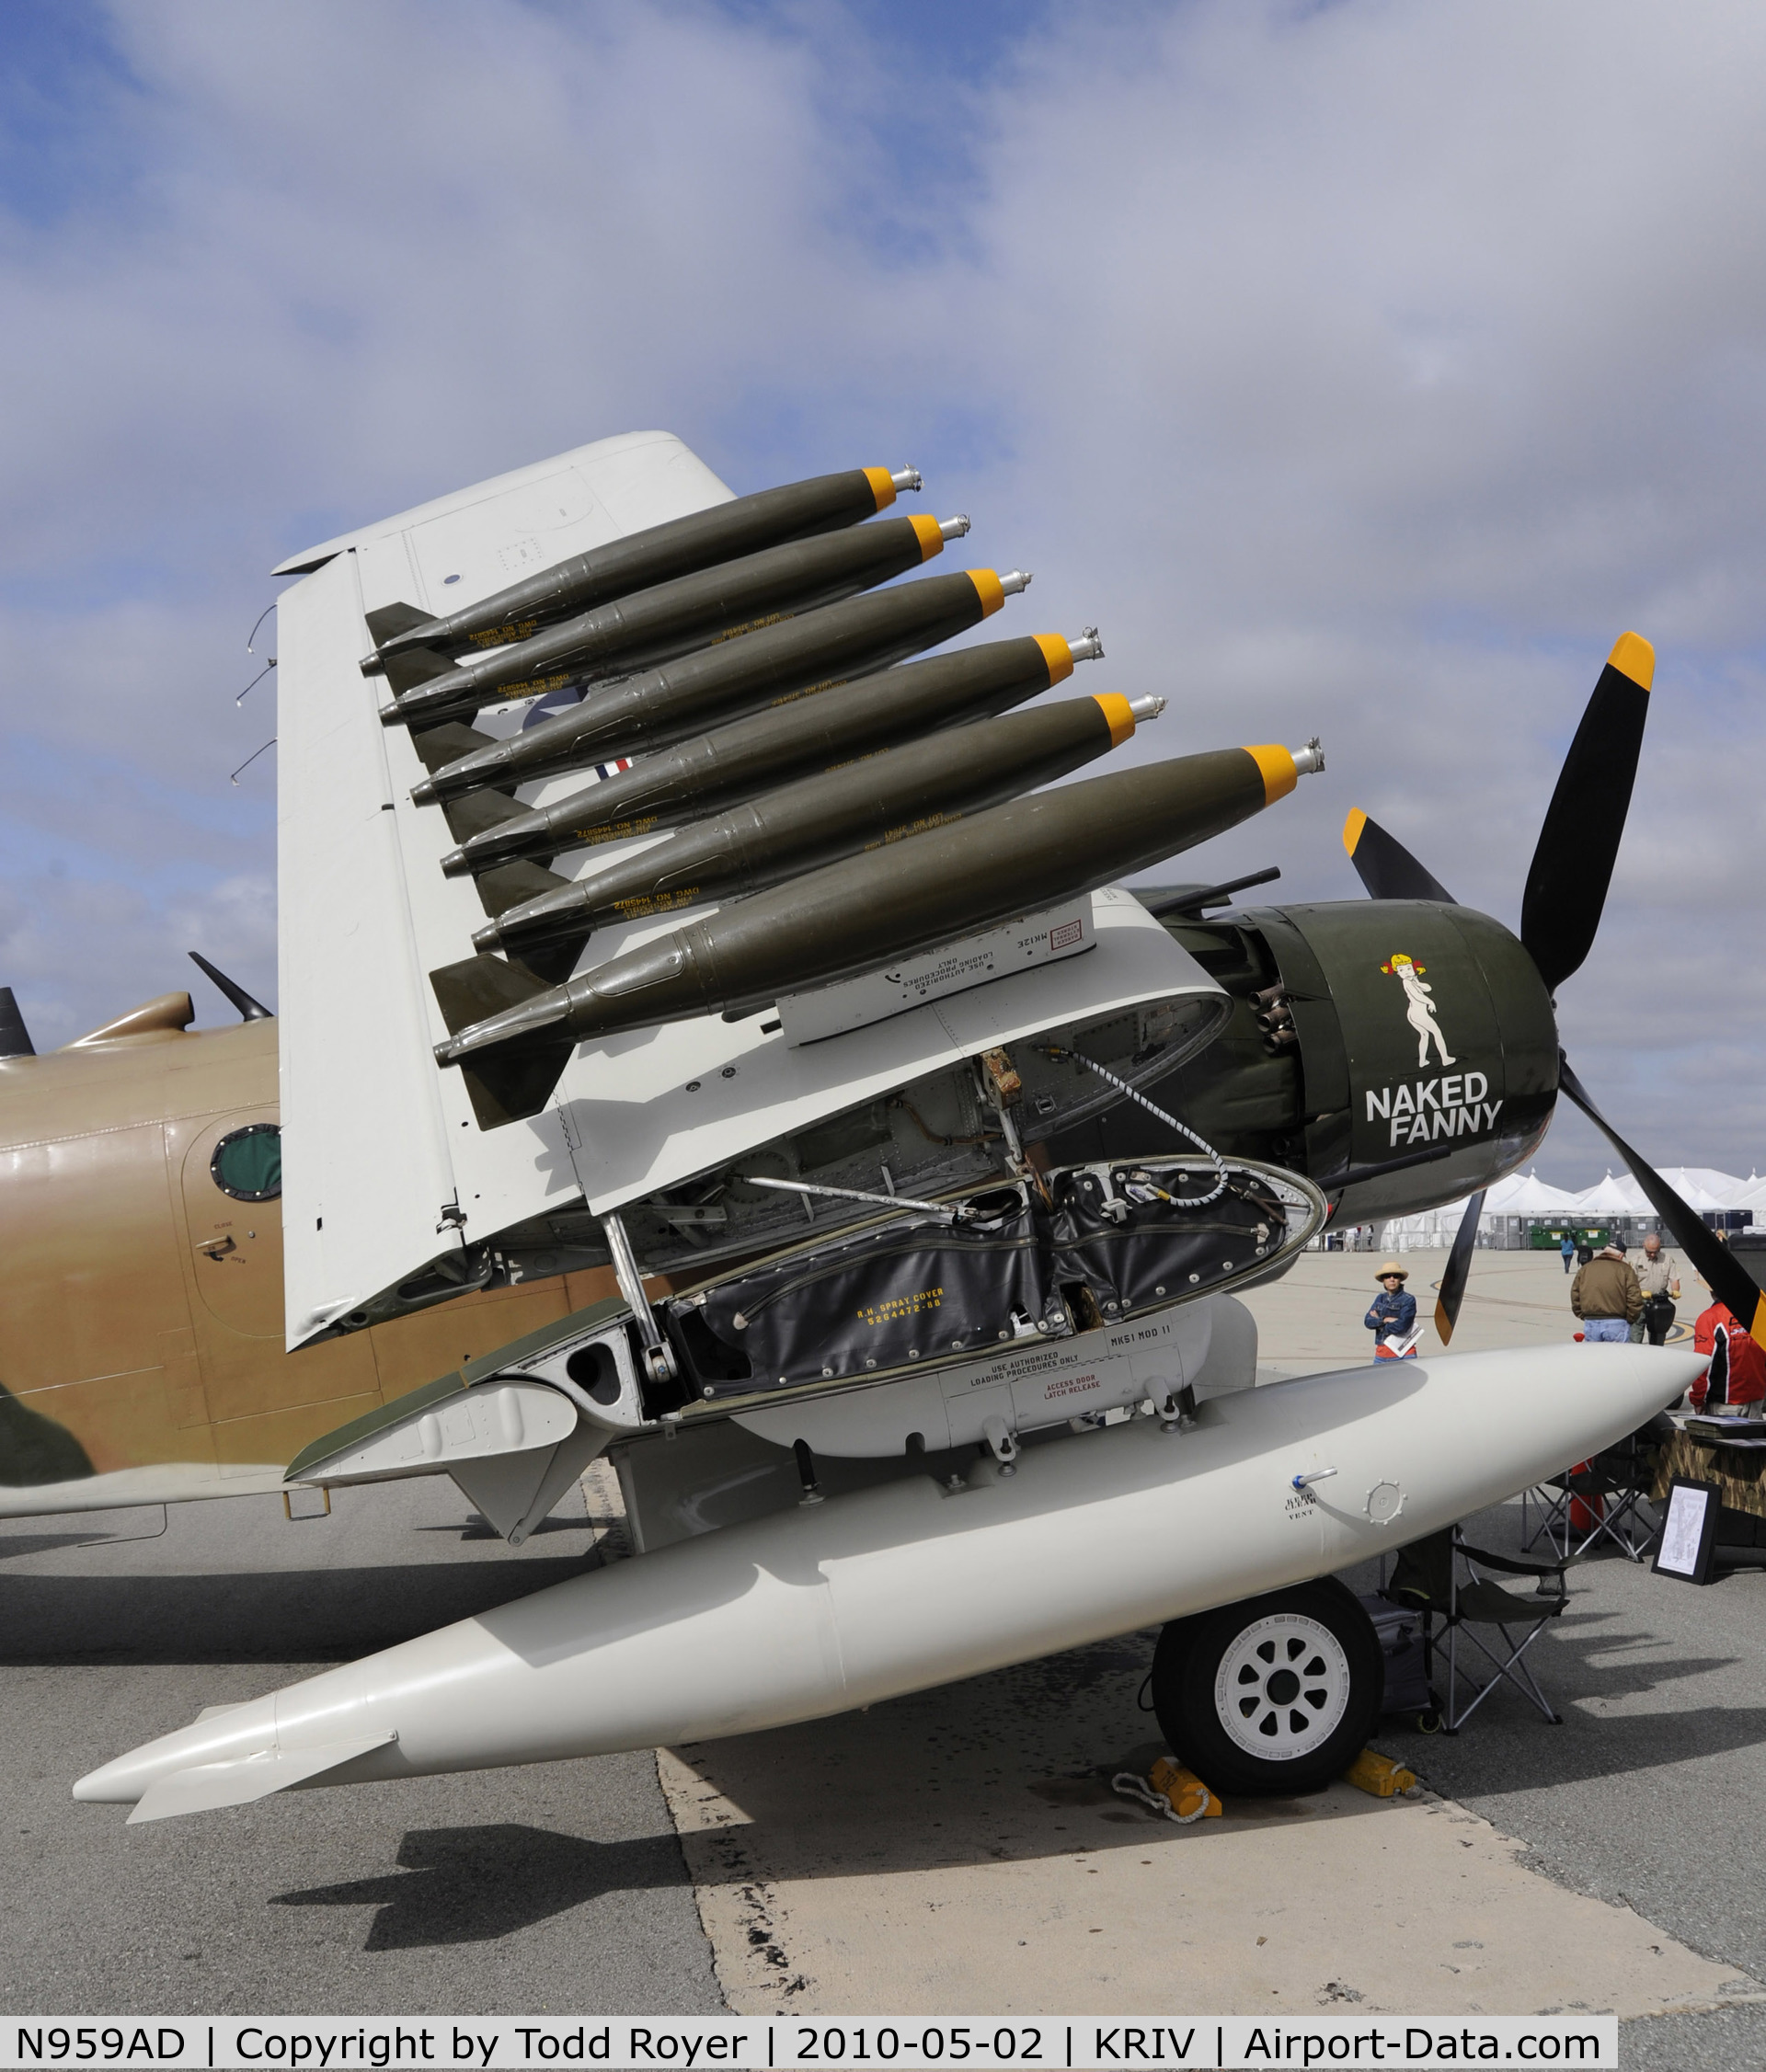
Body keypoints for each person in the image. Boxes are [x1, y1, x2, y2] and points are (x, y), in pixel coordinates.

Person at [1690, 1292, 1766, 1415]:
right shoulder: (1760, 1313)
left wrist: (1697, 1399)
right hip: (1756, 1400)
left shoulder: (1711, 1317)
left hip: (1725, 1405)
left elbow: (1703, 1363)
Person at [1570, 1242, 1643, 1343]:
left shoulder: (1585, 1269)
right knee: (1616, 1356)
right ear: (1621, 1255)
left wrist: (1584, 1315)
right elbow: (1635, 1298)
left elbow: (1575, 1294)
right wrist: (1630, 1318)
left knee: (1595, 1356)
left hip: (1591, 1322)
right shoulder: (1625, 1269)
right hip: (1617, 1321)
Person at [1631, 1232, 1681, 1346]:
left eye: (1656, 1251)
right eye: (1649, 1252)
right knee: (1636, 1333)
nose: (1653, 1254)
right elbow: (1629, 1283)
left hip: (1659, 1301)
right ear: (1644, 1246)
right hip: (1640, 1301)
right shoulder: (1636, 1260)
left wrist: (1675, 1290)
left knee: (1658, 1335)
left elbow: (1674, 1279)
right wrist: (1639, 1293)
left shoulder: (1667, 1259)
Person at [1365, 1262, 1419, 1357]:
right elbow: (1368, 1322)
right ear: (1383, 1280)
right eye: (1387, 1276)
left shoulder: (1408, 1299)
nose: (1392, 1279)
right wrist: (1385, 1320)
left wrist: (1379, 1323)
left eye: (1396, 1276)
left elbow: (1401, 1327)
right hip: (1381, 1354)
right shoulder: (1380, 1298)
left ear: (1400, 1280)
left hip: (1404, 1354)